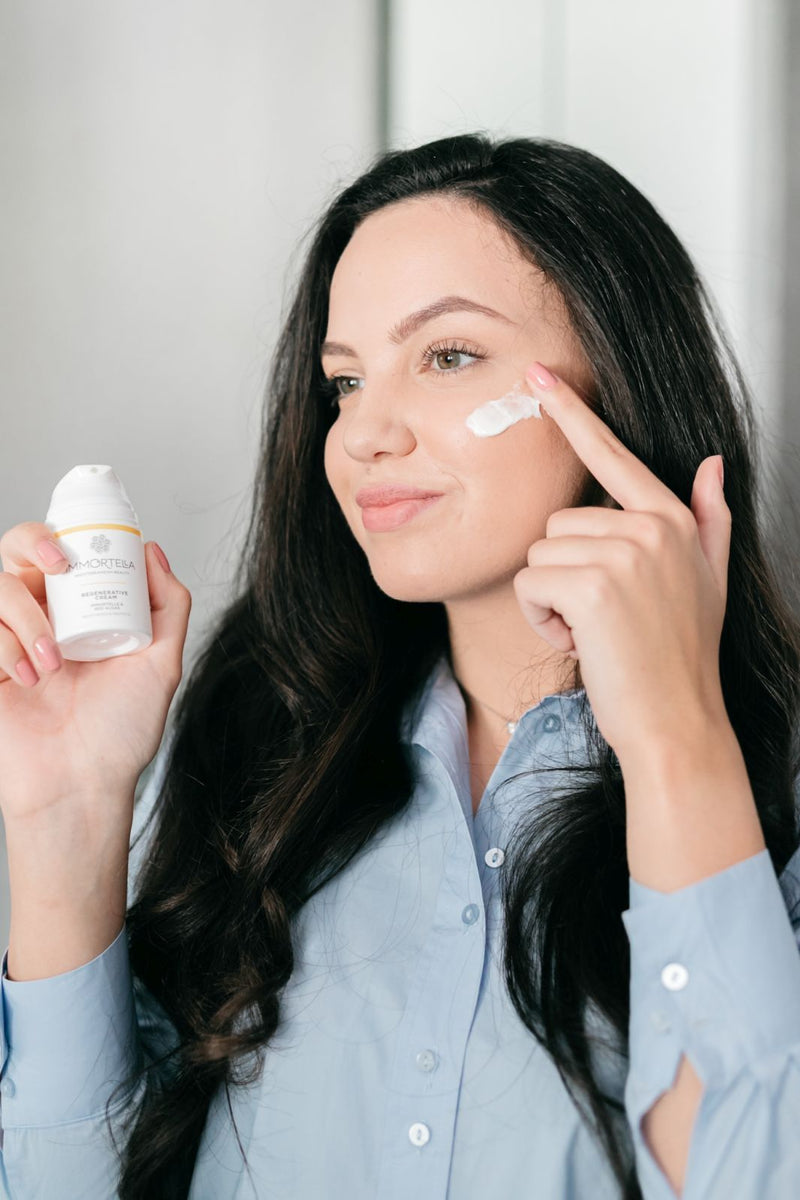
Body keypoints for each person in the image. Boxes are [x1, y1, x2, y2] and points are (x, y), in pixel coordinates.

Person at [0, 133, 799, 1200]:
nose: (362, 434)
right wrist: (66, 815)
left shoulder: (766, 792)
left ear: (617, 368)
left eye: (447, 355)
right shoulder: (261, 748)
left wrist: (671, 737)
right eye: (342, 381)